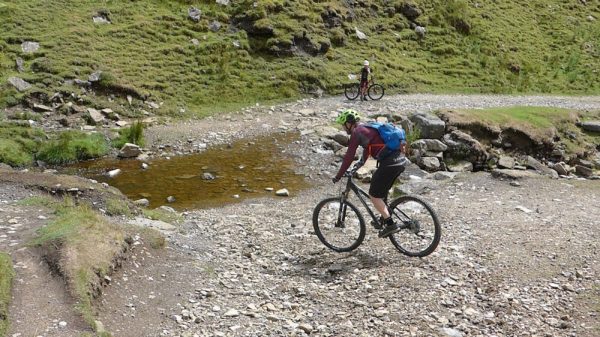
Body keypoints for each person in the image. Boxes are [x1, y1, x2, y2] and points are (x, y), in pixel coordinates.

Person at [332, 109, 407, 238]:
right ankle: (384, 217)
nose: (344, 128)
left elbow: (349, 156)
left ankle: (390, 224)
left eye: (344, 125)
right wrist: (358, 166)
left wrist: (338, 175)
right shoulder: (368, 128)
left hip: (389, 163)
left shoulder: (357, 132)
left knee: (374, 195)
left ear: (349, 123)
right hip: (401, 160)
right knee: (381, 190)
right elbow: (368, 150)